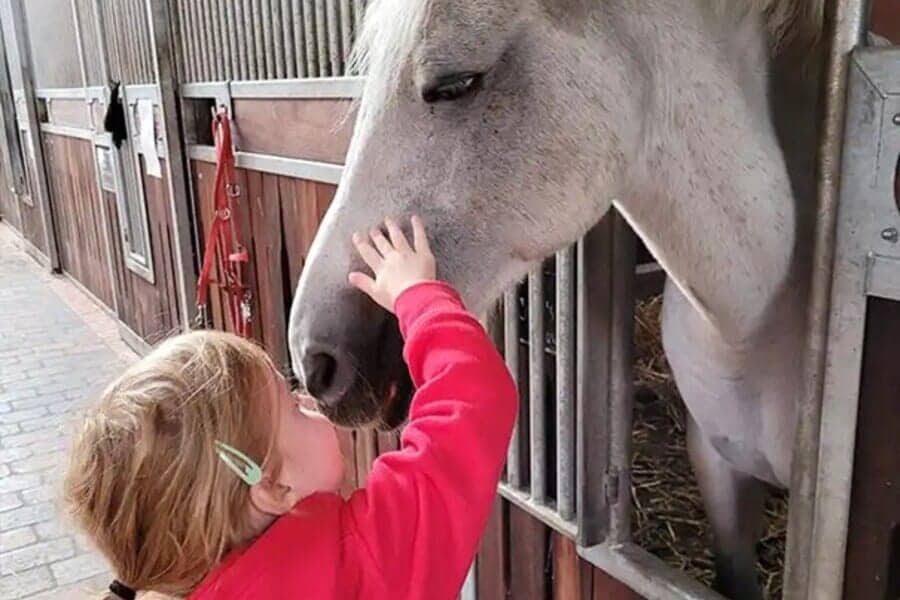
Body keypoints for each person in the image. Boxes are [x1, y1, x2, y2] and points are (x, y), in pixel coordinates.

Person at [64, 216, 518, 599]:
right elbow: (473, 401)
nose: (305, 399)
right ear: (274, 487)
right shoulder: (359, 565)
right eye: (292, 408)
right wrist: (418, 296)